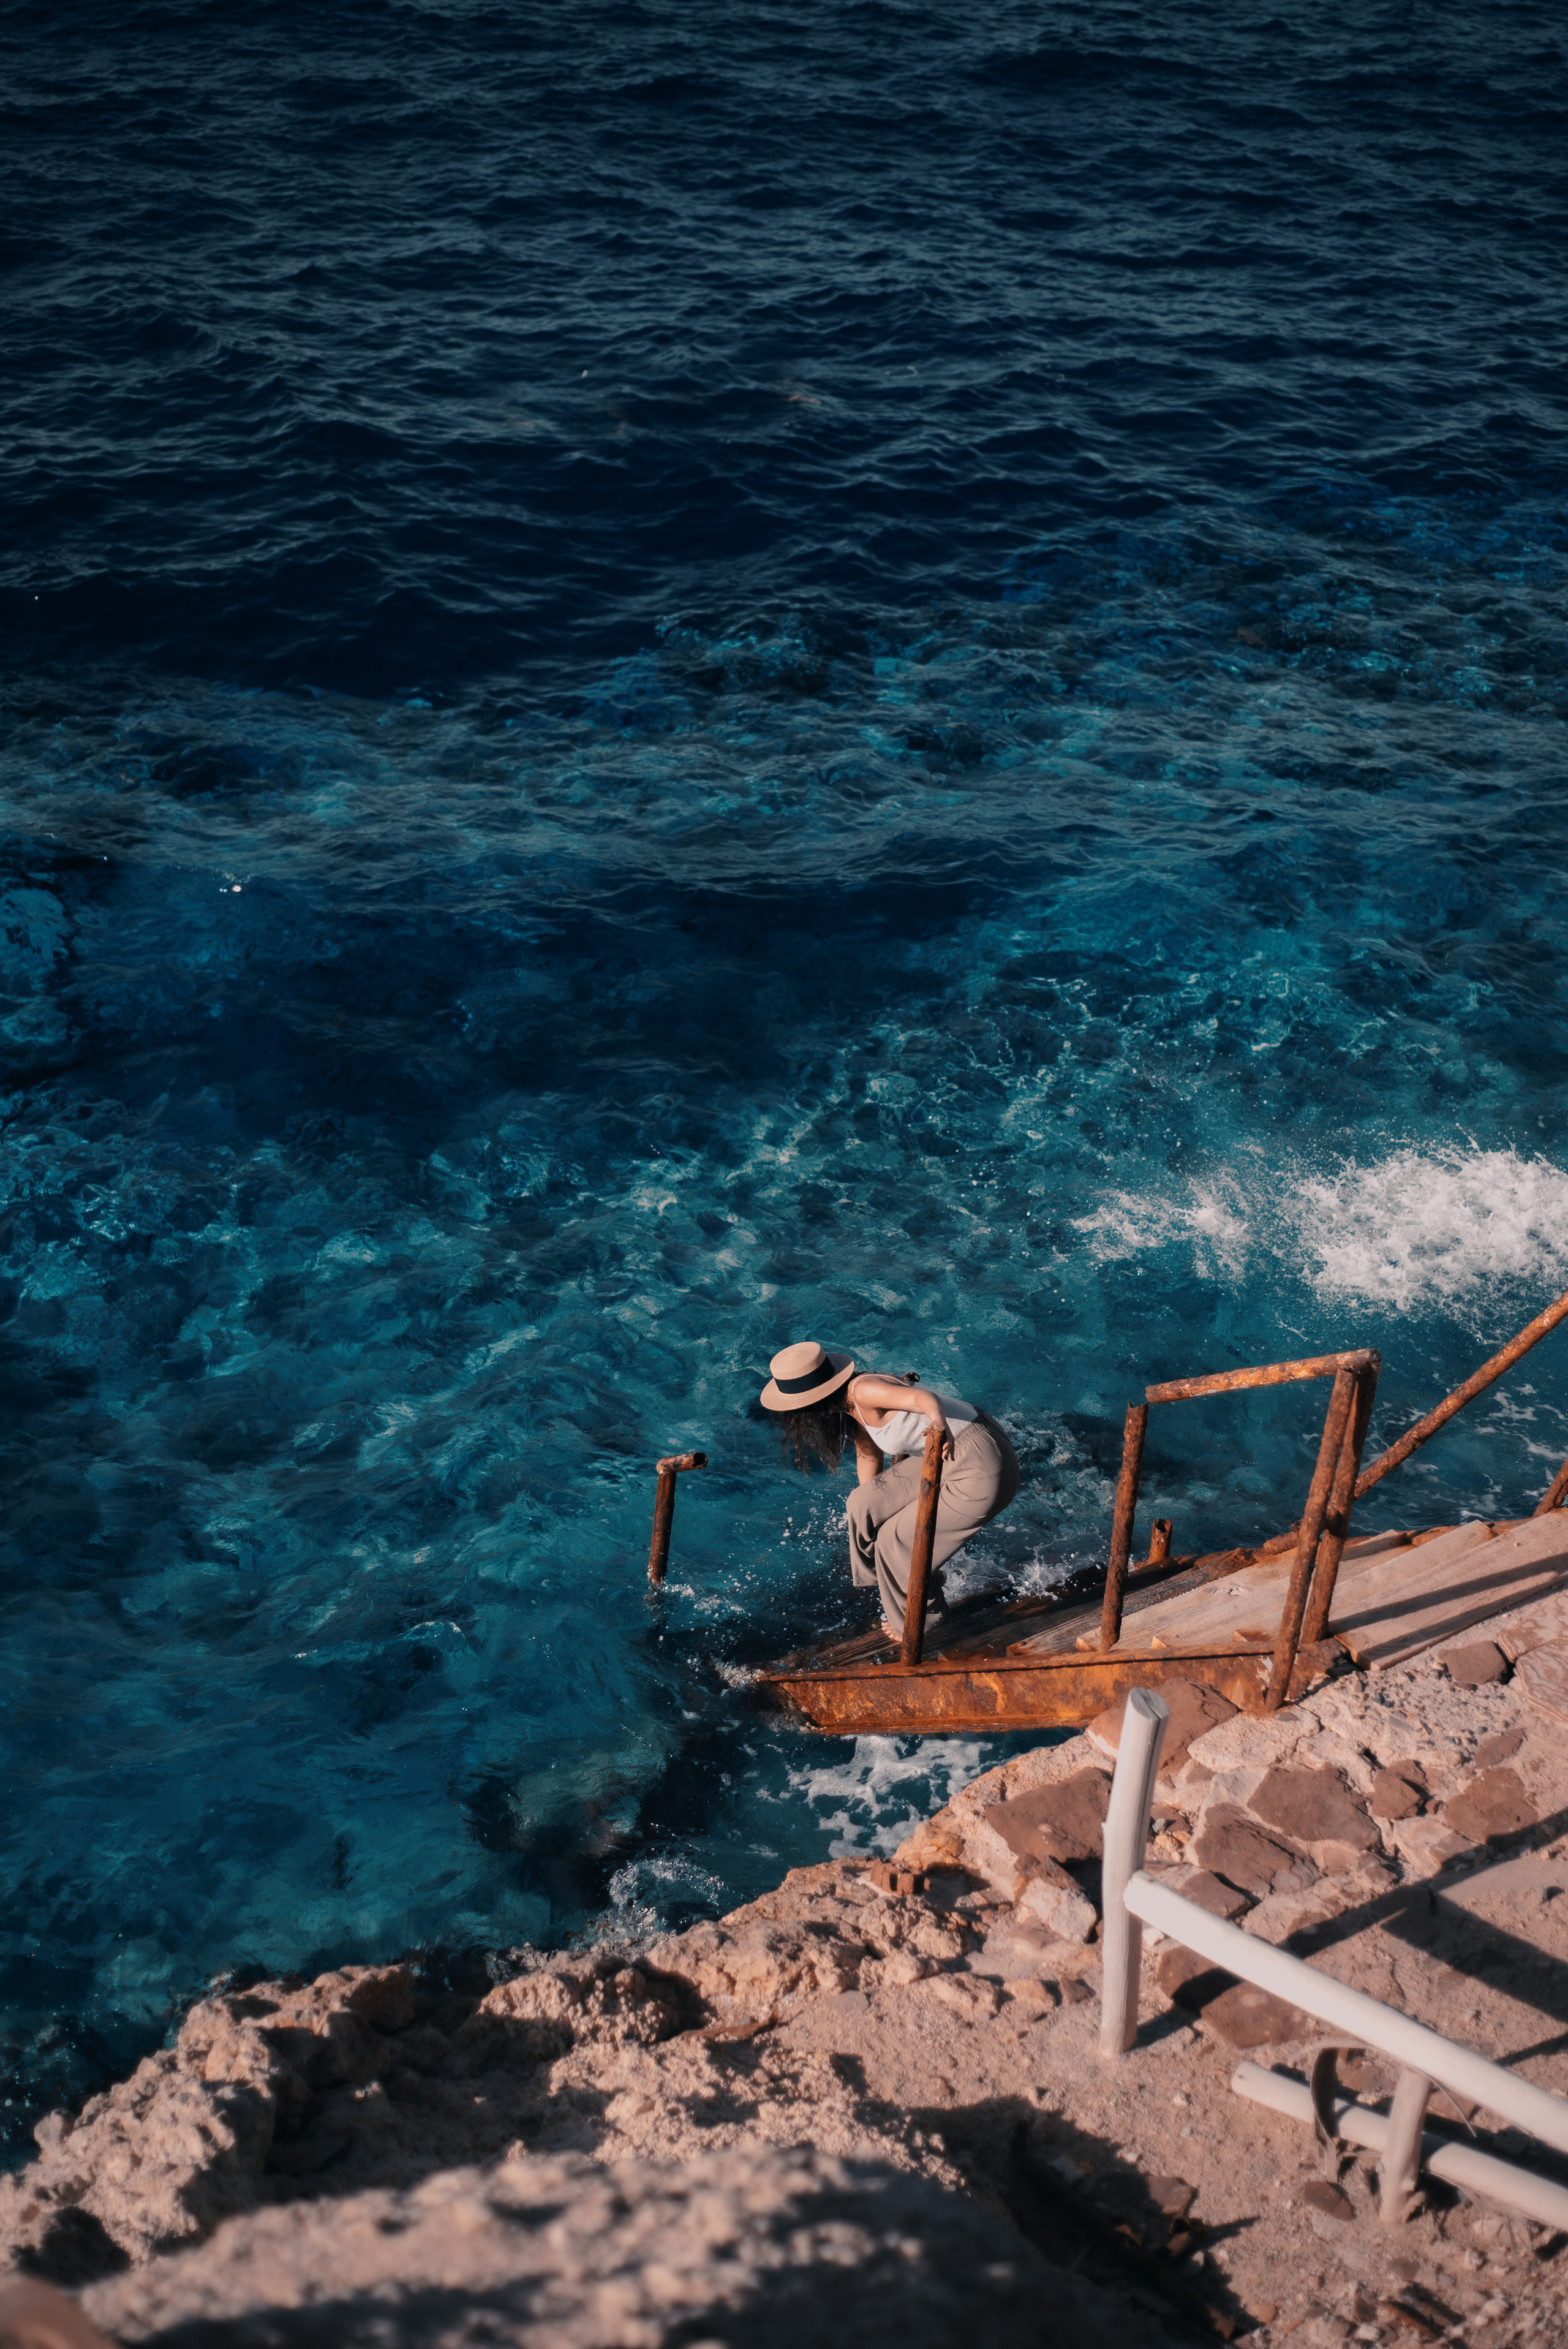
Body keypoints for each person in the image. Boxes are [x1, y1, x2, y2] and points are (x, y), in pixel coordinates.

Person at [758, 1339, 1020, 1640]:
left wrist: (937, 1424)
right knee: (862, 1503)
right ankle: (898, 1579)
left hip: (980, 1461)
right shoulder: (846, 1404)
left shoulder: (864, 1391)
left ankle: (925, 1620)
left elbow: (924, 1397)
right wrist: (881, 1506)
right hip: (945, 1454)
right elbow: (868, 1454)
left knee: (894, 1542)